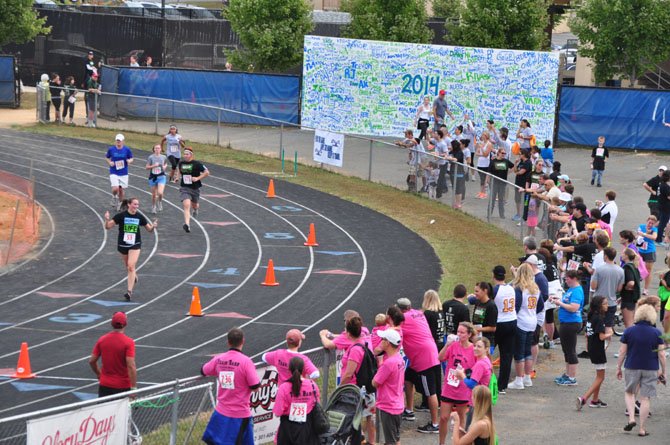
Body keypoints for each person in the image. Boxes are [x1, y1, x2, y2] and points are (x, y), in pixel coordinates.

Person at [321, 316, 376, 445]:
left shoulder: (356, 349)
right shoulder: (363, 341)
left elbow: (348, 374)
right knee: (358, 421)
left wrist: (339, 389)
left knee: (352, 422)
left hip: (353, 391)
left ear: (348, 332)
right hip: (362, 388)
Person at [201, 327, 260, 445]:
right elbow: (255, 386)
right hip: (240, 414)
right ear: (243, 341)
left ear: (228, 342)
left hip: (221, 412)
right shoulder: (246, 362)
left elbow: (204, 370)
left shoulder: (219, 359)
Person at [617, 304, 666, 437]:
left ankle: (631, 418)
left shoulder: (629, 331)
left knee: (629, 392)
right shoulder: (657, 333)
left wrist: (618, 368)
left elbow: (622, 352)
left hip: (632, 365)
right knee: (645, 398)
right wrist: (663, 371)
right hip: (651, 368)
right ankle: (642, 428)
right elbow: (661, 354)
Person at [396, 298, 440, 435]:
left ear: (400, 310)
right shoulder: (418, 313)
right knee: (408, 376)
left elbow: (393, 328)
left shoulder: (404, 319)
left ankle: (435, 424)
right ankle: (409, 411)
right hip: (427, 353)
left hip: (424, 359)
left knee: (430, 392)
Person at [104, 197, 157, 301]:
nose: (136, 207)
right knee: (128, 267)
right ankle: (134, 276)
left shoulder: (140, 217)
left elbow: (149, 230)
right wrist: (106, 220)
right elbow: (108, 227)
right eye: (134, 204)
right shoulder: (121, 216)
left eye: (137, 205)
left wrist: (153, 226)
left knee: (131, 266)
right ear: (129, 204)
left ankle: (129, 292)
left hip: (135, 245)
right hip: (123, 245)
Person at [437, 322, 476, 445]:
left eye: (462, 332)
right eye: (458, 331)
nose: (459, 334)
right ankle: (441, 443)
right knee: (443, 418)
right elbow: (440, 358)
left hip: (463, 388)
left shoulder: (473, 349)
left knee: (461, 419)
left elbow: (476, 369)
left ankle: (459, 442)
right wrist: (446, 345)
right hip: (449, 386)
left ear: (469, 334)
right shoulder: (453, 346)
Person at [508, 263, 543, 390]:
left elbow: (515, 307)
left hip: (521, 322)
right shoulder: (536, 288)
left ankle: (519, 379)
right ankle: (527, 377)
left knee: (519, 352)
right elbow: (540, 306)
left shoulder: (519, 289)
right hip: (532, 322)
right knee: (528, 351)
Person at [272, 357, 320, 445]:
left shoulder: (284, 387)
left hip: (288, 429)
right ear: (304, 369)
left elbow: (277, 413)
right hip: (308, 428)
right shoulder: (313, 385)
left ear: (289, 370)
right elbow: (317, 405)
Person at [88, 311, 136, 397]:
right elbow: (131, 366)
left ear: (111, 323)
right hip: (122, 386)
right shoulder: (128, 342)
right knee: (122, 410)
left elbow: (92, 361)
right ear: (125, 324)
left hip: (105, 384)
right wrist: (133, 388)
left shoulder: (102, 340)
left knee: (104, 409)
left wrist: (99, 374)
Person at [576, 295, 611, 410]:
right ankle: (584, 398)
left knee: (599, 375)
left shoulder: (591, 317)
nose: (607, 306)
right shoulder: (599, 319)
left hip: (592, 348)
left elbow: (587, 334)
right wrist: (609, 334)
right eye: (605, 304)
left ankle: (595, 400)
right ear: (599, 306)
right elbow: (601, 337)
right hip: (598, 349)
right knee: (600, 377)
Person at [373, 329, 405, 445]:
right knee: (395, 438)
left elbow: (375, 382)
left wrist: (380, 364)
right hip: (397, 403)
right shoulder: (398, 359)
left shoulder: (388, 363)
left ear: (387, 343)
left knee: (390, 441)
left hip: (388, 406)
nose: (381, 341)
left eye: (383, 339)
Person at [552, 269, 584, 386]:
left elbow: (574, 308)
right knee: (566, 350)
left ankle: (572, 377)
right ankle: (567, 374)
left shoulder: (577, 291)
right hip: (566, 323)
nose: (565, 280)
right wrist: (558, 300)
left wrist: (560, 303)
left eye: (567, 278)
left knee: (571, 351)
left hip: (572, 323)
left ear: (574, 278)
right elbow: (567, 303)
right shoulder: (571, 289)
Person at [491, 266, 516, 394]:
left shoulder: (495, 290)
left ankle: (485, 380)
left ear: (494, 276)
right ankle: (502, 386)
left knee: (487, 351)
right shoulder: (511, 288)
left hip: (499, 323)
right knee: (506, 355)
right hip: (511, 321)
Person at [591, 247, 624, 337]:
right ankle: (605, 346)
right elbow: (619, 289)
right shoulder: (620, 271)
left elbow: (593, 286)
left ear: (605, 256)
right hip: (611, 302)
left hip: (598, 301)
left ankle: (595, 345)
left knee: (595, 326)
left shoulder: (599, 269)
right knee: (608, 327)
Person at [178, 147, 209, 233]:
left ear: (191, 155)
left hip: (195, 188)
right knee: (186, 205)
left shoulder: (197, 164)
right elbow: (179, 170)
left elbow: (207, 172)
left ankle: (195, 210)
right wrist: (177, 177)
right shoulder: (181, 163)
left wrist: (198, 178)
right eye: (184, 154)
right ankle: (187, 224)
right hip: (185, 188)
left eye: (187, 154)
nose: (185, 156)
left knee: (194, 205)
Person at [106, 134, 134, 210]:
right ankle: (114, 196)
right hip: (114, 171)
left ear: (123, 141)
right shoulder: (111, 149)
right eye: (117, 140)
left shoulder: (127, 149)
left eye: (119, 140)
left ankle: (120, 203)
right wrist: (109, 162)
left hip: (124, 172)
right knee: (115, 188)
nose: (118, 142)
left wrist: (129, 161)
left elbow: (131, 158)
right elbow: (107, 157)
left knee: (121, 190)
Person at [488, 147, 514, 218]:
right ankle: (489, 213)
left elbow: (513, 167)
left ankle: (501, 214)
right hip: (494, 183)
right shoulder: (493, 161)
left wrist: (508, 172)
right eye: (502, 153)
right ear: (498, 153)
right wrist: (487, 181)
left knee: (501, 199)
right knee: (492, 199)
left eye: (504, 153)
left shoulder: (506, 161)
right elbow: (489, 172)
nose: (503, 154)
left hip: (502, 183)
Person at [470, 282, 497, 350]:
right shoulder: (478, 302)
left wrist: (477, 329)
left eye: (477, 291)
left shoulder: (491, 306)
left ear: (485, 291)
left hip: (487, 343)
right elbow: (475, 320)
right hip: (477, 341)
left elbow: (493, 328)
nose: (475, 293)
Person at [637, 215, 658, 295]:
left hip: (650, 251)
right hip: (640, 250)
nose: (650, 224)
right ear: (647, 221)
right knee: (637, 268)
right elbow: (637, 235)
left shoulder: (654, 229)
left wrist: (644, 234)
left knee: (648, 270)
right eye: (649, 222)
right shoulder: (641, 226)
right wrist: (639, 236)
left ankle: (646, 289)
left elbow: (654, 237)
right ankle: (637, 285)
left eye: (652, 223)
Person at [621, 248, 642, 328]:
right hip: (632, 297)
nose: (621, 255)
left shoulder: (627, 268)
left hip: (627, 298)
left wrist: (626, 287)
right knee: (630, 322)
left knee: (628, 323)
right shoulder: (634, 267)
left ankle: (631, 339)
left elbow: (631, 283)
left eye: (623, 254)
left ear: (626, 256)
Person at [146, 144, 167, 214]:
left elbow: (165, 164)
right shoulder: (151, 157)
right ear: (154, 149)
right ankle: (153, 206)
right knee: (154, 195)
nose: (157, 149)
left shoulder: (164, 157)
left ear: (161, 149)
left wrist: (164, 167)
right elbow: (147, 167)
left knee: (160, 193)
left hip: (161, 177)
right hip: (153, 177)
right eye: (156, 148)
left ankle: (160, 202)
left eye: (158, 148)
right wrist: (154, 166)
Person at [512, 149, 531, 222]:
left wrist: (517, 171)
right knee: (517, 199)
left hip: (524, 185)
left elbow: (520, 172)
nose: (519, 155)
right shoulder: (521, 162)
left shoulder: (527, 163)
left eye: (520, 154)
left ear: (523, 155)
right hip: (518, 183)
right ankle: (518, 213)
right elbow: (515, 171)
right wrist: (515, 163)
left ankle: (524, 215)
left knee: (524, 200)